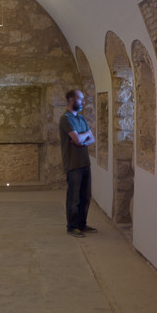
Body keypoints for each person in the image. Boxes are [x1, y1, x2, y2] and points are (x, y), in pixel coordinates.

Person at [59, 89, 96, 237]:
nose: (83, 102)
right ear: (71, 100)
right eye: (80, 99)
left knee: (86, 196)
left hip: (85, 162)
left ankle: (82, 224)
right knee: (74, 197)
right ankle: (72, 226)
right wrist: (82, 138)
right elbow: (77, 140)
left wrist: (82, 139)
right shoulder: (65, 118)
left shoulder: (82, 119)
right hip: (73, 164)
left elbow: (90, 139)